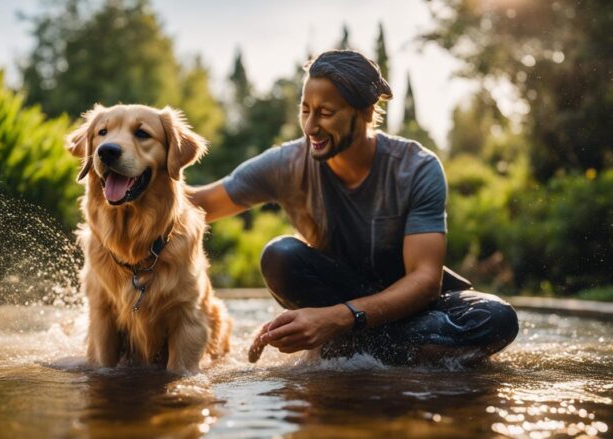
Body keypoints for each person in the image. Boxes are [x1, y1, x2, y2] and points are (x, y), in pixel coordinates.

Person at [190, 50, 519, 365]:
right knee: (280, 255)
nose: (310, 126)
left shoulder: (417, 168)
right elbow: (199, 203)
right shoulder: (286, 163)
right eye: (305, 110)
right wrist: (143, 168)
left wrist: (338, 319)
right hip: (341, 297)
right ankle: (400, 352)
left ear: (365, 112)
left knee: (496, 318)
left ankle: (354, 347)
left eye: (326, 113)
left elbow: (425, 279)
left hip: (413, 310)